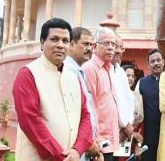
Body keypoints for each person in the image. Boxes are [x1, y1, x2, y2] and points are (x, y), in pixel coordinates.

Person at [12, 18, 92, 161]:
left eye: (65, 41)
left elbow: (85, 115)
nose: (60, 45)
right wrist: (59, 155)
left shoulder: (73, 76)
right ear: (42, 43)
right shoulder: (28, 74)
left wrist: (77, 150)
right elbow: (30, 121)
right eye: (55, 39)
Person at [64, 27, 102, 160]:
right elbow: (74, 113)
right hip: (72, 148)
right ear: (72, 45)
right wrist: (89, 143)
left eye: (91, 45)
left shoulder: (79, 72)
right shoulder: (66, 72)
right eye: (85, 44)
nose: (90, 48)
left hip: (83, 145)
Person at [82, 27, 120, 161]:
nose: (111, 48)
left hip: (111, 141)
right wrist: (94, 141)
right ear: (94, 46)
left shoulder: (109, 68)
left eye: (113, 44)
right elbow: (89, 107)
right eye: (106, 43)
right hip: (99, 143)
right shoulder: (89, 69)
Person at [135, 49, 165, 161]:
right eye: (152, 61)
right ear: (148, 65)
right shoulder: (142, 82)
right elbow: (137, 110)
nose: (156, 63)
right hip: (148, 135)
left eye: (158, 60)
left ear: (163, 62)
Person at [110, 36, 134, 143]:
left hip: (124, 128)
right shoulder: (103, 70)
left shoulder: (120, 72)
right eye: (115, 46)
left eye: (121, 48)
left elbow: (128, 99)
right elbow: (115, 101)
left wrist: (128, 124)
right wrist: (125, 126)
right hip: (108, 131)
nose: (119, 51)